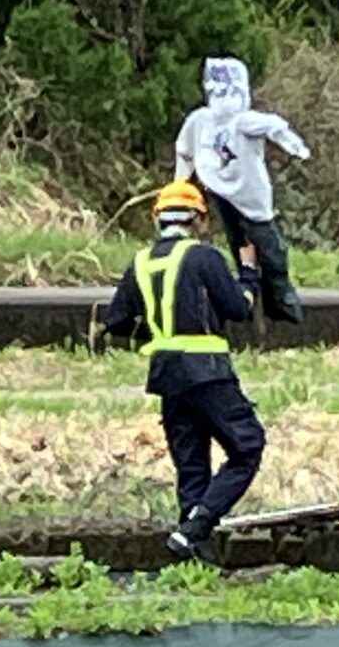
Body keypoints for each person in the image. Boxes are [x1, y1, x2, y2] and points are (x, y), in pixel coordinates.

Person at [99, 179, 266, 564]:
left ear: (157, 219)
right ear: (200, 221)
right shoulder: (203, 258)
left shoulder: (140, 263)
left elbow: (116, 321)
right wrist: (248, 274)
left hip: (167, 376)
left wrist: (154, 332)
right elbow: (238, 308)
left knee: (192, 465)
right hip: (208, 371)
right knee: (247, 446)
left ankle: (194, 555)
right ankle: (195, 527)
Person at [173, 56, 309, 323]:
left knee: (271, 251)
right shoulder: (201, 121)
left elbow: (273, 125)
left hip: (253, 198)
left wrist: (293, 144)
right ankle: (246, 296)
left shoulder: (244, 122)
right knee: (239, 245)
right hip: (221, 192)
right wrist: (180, 188)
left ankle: (281, 300)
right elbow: (185, 151)